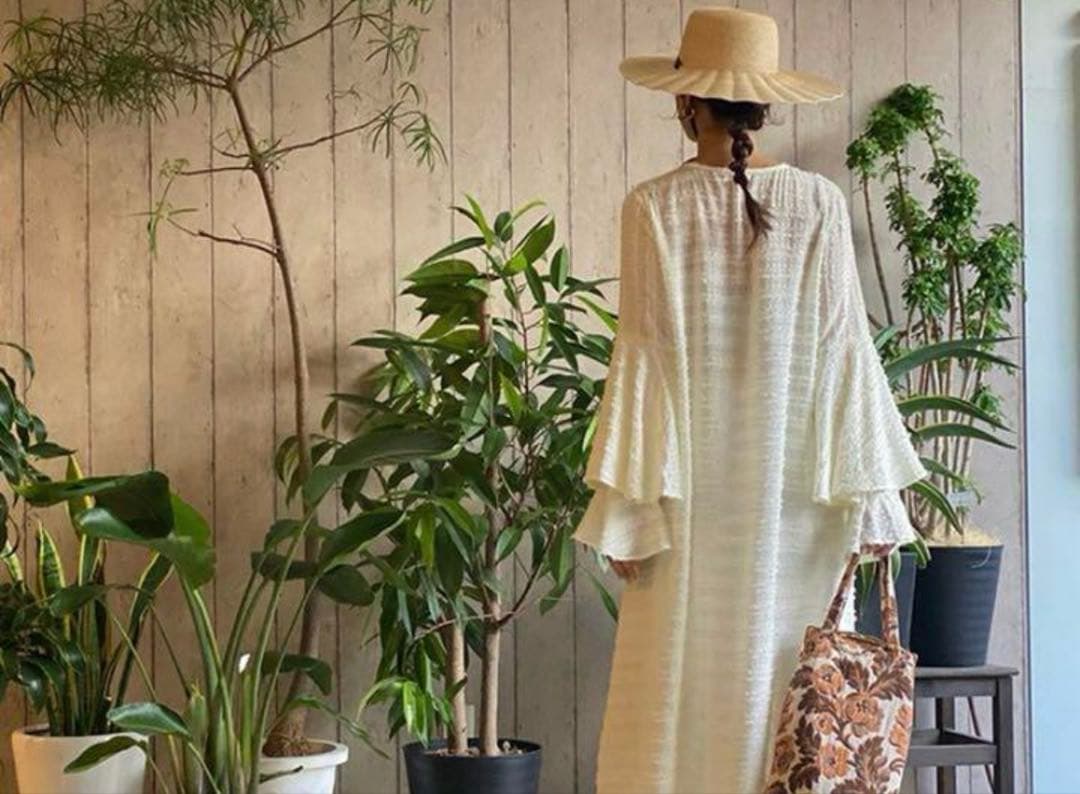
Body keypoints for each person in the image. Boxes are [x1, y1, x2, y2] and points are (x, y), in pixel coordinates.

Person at [572, 7, 927, 793]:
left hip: (689, 509)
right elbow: (844, 350)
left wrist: (630, 509)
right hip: (799, 507)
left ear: (685, 101)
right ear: (764, 105)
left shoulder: (652, 206)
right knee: (790, 703)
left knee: (677, 701)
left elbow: (644, 359)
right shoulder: (819, 203)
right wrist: (871, 502)